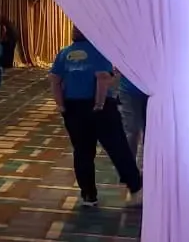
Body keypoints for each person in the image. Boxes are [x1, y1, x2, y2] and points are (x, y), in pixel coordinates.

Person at [49, 26, 143, 208]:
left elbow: (55, 80)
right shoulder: (99, 52)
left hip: (74, 107)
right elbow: (102, 78)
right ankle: (135, 187)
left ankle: (88, 195)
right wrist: (99, 104)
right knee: (118, 148)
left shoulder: (64, 53)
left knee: (82, 151)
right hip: (100, 107)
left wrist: (61, 105)